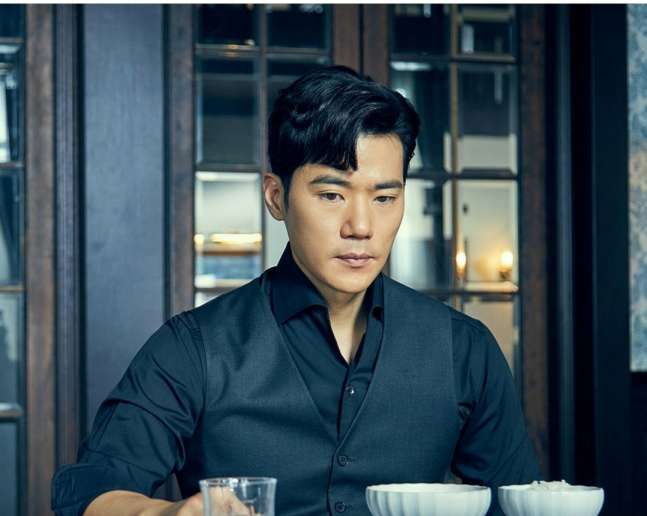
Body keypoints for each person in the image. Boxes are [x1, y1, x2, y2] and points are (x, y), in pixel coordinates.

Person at [51, 65, 541, 516]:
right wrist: (167, 514)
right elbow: (90, 490)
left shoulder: (464, 348)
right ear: (276, 197)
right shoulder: (192, 348)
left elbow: (517, 502)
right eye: (331, 195)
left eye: (384, 197)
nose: (361, 226)